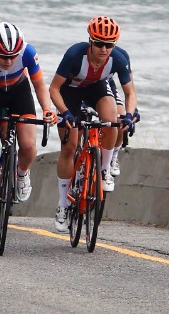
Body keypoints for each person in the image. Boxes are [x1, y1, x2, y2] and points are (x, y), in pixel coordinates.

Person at [49, 16, 137, 232]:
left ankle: (104, 169)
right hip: (71, 91)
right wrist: (65, 113)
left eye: (109, 44)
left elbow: (129, 92)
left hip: (97, 87)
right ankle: (63, 202)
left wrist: (129, 115)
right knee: (69, 146)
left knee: (112, 121)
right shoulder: (74, 55)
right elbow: (53, 88)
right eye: (99, 43)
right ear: (90, 41)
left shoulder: (118, 58)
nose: (104, 49)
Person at [0, 22, 55, 234]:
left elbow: (39, 84)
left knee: (28, 147)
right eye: (3, 56)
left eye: (12, 57)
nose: (8, 61)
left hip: (19, 92)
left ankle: (22, 173)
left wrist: (46, 109)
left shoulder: (27, 52)